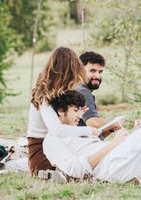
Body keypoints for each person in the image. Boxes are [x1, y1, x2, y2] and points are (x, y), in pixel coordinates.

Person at [27, 47, 101, 176]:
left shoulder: (57, 92)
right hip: (42, 150)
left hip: (60, 144)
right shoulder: (44, 95)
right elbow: (57, 130)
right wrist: (89, 130)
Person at [76, 51, 123, 139]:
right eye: (92, 71)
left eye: (100, 72)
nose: (97, 76)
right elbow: (92, 122)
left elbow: (96, 134)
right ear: (80, 71)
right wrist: (115, 122)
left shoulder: (81, 90)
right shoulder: (83, 92)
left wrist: (111, 129)